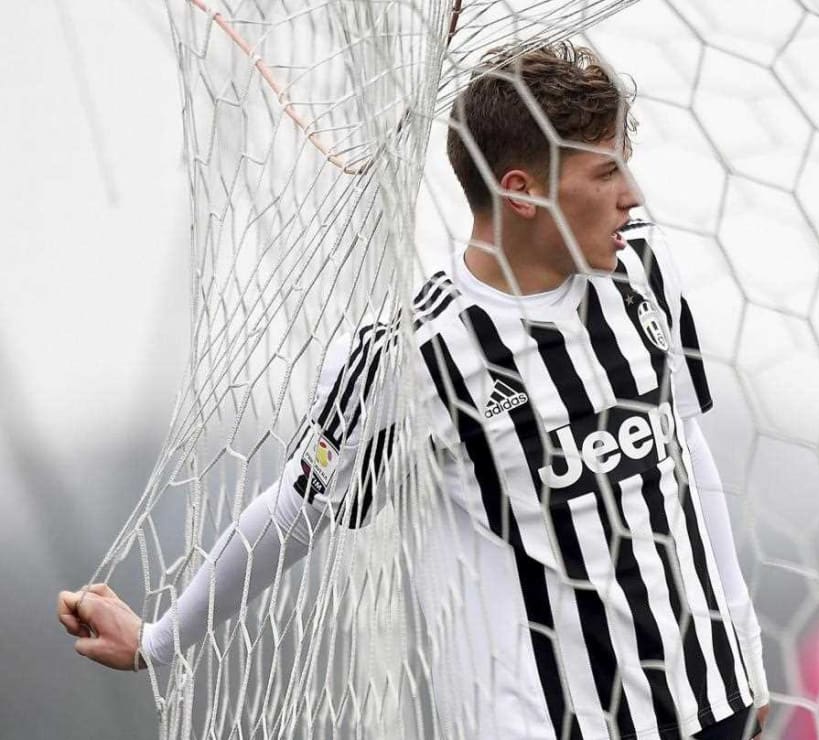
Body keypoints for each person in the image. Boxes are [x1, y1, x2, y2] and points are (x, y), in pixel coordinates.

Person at [56, 41, 770, 739]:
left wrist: (745, 652)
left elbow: (686, 452)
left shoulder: (644, 268)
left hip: (712, 702)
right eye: (607, 172)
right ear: (521, 191)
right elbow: (296, 510)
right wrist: (158, 640)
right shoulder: (416, 355)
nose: (632, 195)